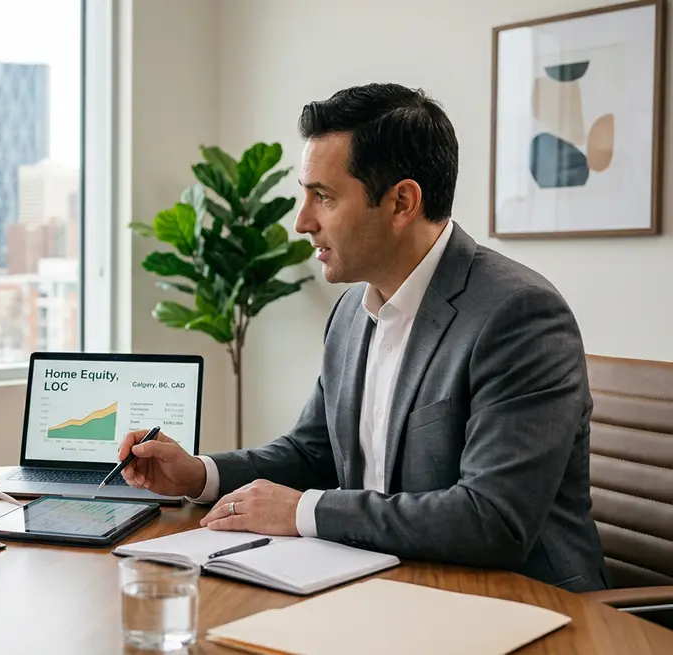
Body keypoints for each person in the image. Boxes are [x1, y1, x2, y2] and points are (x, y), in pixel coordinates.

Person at [117, 83, 608, 592]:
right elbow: (313, 453)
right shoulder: (353, 309)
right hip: (387, 581)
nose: (301, 222)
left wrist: (304, 510)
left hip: (527, 605)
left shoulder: (519, 316)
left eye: (323, 197)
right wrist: (199, 474)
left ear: (401, 202)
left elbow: (491, 519)